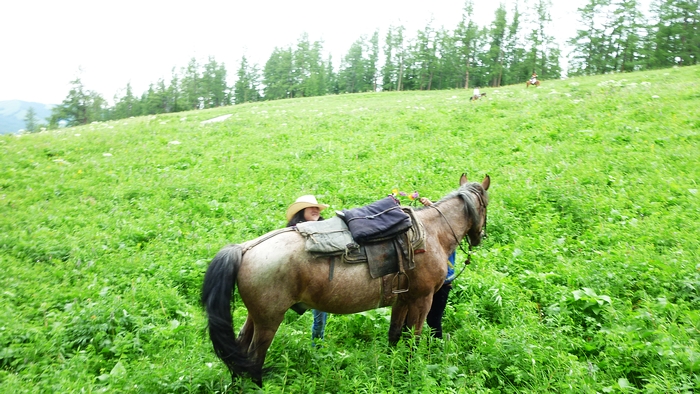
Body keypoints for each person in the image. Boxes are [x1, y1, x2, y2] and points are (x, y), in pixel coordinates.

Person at [285, 195, 330, 342]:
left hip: (321, 279)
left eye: (317, 207)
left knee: (321, 318)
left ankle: (317, 345)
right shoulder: (293, 233)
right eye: (311, 207)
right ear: (301, 211)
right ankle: (316, 345)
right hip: (302, 280)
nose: (315, 210)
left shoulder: (325, 228)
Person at [419, 197, 455, 339]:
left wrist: (432, 205)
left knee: (433, 320)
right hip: (428, 281)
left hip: (444, 282)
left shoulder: (449, 234)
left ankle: (437, 345)